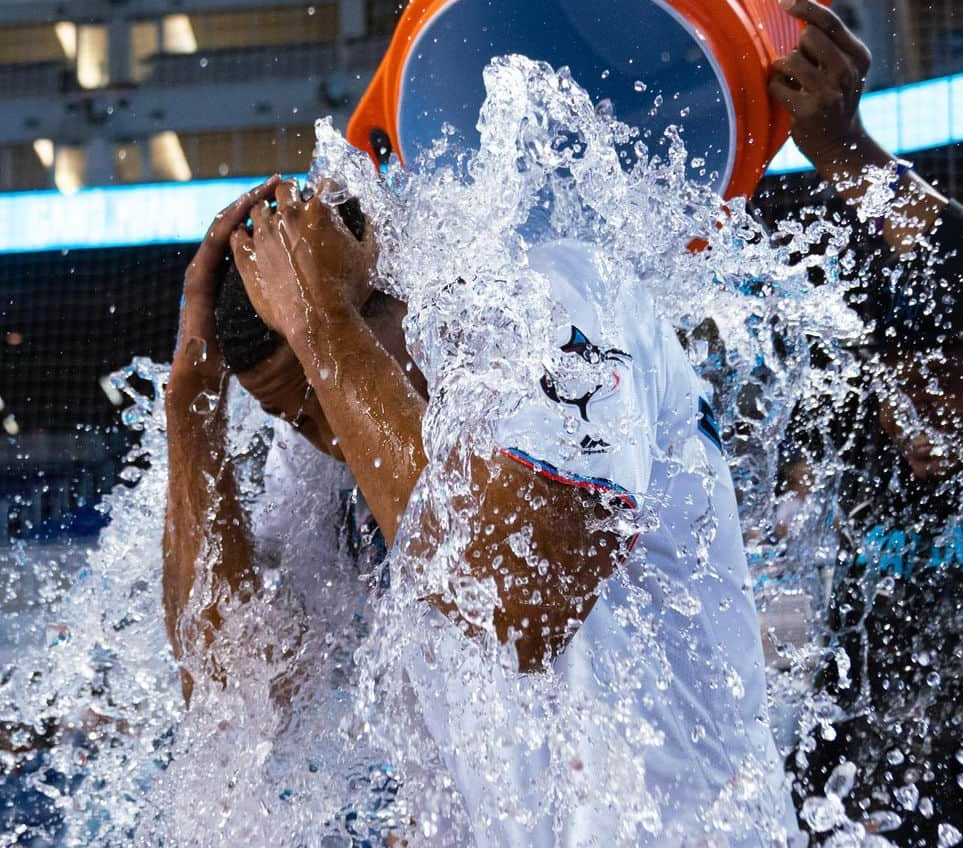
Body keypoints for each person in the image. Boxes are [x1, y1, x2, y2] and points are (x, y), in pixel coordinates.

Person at [163, 166, 798, 842]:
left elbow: (516, 603)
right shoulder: (333, 430)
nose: (330, 439)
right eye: (293, 418)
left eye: (320, 396)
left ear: (392, 293)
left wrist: (322, 325)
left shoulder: (556, 301)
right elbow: (234, 689)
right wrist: (190, 409)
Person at [768, 0, 963, 845]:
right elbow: (839, 689)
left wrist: (847, 154)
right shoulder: (867, 472)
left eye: (950, 371)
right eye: (899, 381)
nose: (922, 402)